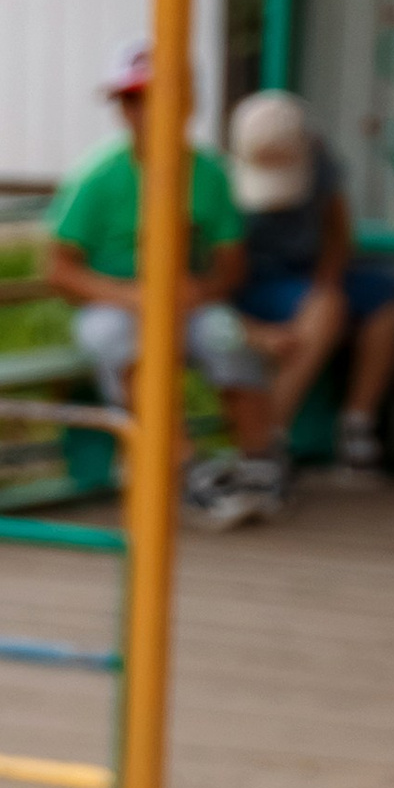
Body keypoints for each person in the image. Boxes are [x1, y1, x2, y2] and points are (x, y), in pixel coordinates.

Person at [46, 39, 286, 528]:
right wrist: (132, 297)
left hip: (188, 302)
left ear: (186, 101)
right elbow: (60, 270)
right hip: (115, 305)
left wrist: (201, 291)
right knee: (125, 344)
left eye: (153, 97)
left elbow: (231, 266)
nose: (141, 112)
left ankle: (260, 464)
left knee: (227, 336)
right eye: (130, 100)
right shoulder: (97, 177)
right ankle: (187, 471)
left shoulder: (209, 175)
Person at [226, 88, 394, 476]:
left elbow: (338, 232)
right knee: (327, 311)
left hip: (308, 273)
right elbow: (220, 272)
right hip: (255, 282)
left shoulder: (319, 158)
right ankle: (267, 441)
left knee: (387, 297)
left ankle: (356, 425)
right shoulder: (217, 178)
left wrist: (324, 283)